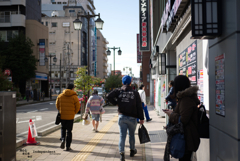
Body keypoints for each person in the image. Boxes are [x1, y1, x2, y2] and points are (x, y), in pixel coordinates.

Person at [107, 75, 144, 161]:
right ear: (131, 83)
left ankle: (122, 154)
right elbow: (139, 106)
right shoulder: (135, 93)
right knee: (131, 135)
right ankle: (132, 150)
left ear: (122, 82)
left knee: (122, 135)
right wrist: (141, 118)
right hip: (132, 118)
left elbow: (108, 96)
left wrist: (116, 103)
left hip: (122, 116)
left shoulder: (119, 90)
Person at [163, 75, 200, 161]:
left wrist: (171, 115)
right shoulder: (185, 98)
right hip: (187, 136)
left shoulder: (185, 99)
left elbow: (183, 120)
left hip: (186, 138)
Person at [56, 84, 80, 151]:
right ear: (72, 89)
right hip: (70, 117)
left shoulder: (60, 95)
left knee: (63, 128)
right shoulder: (74, 97)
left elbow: (57, 105)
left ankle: (63, 139)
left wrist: (61, 111)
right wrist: (73, 113)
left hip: (62, 116)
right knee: (69, 131)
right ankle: (68, 146)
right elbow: (78, 107)